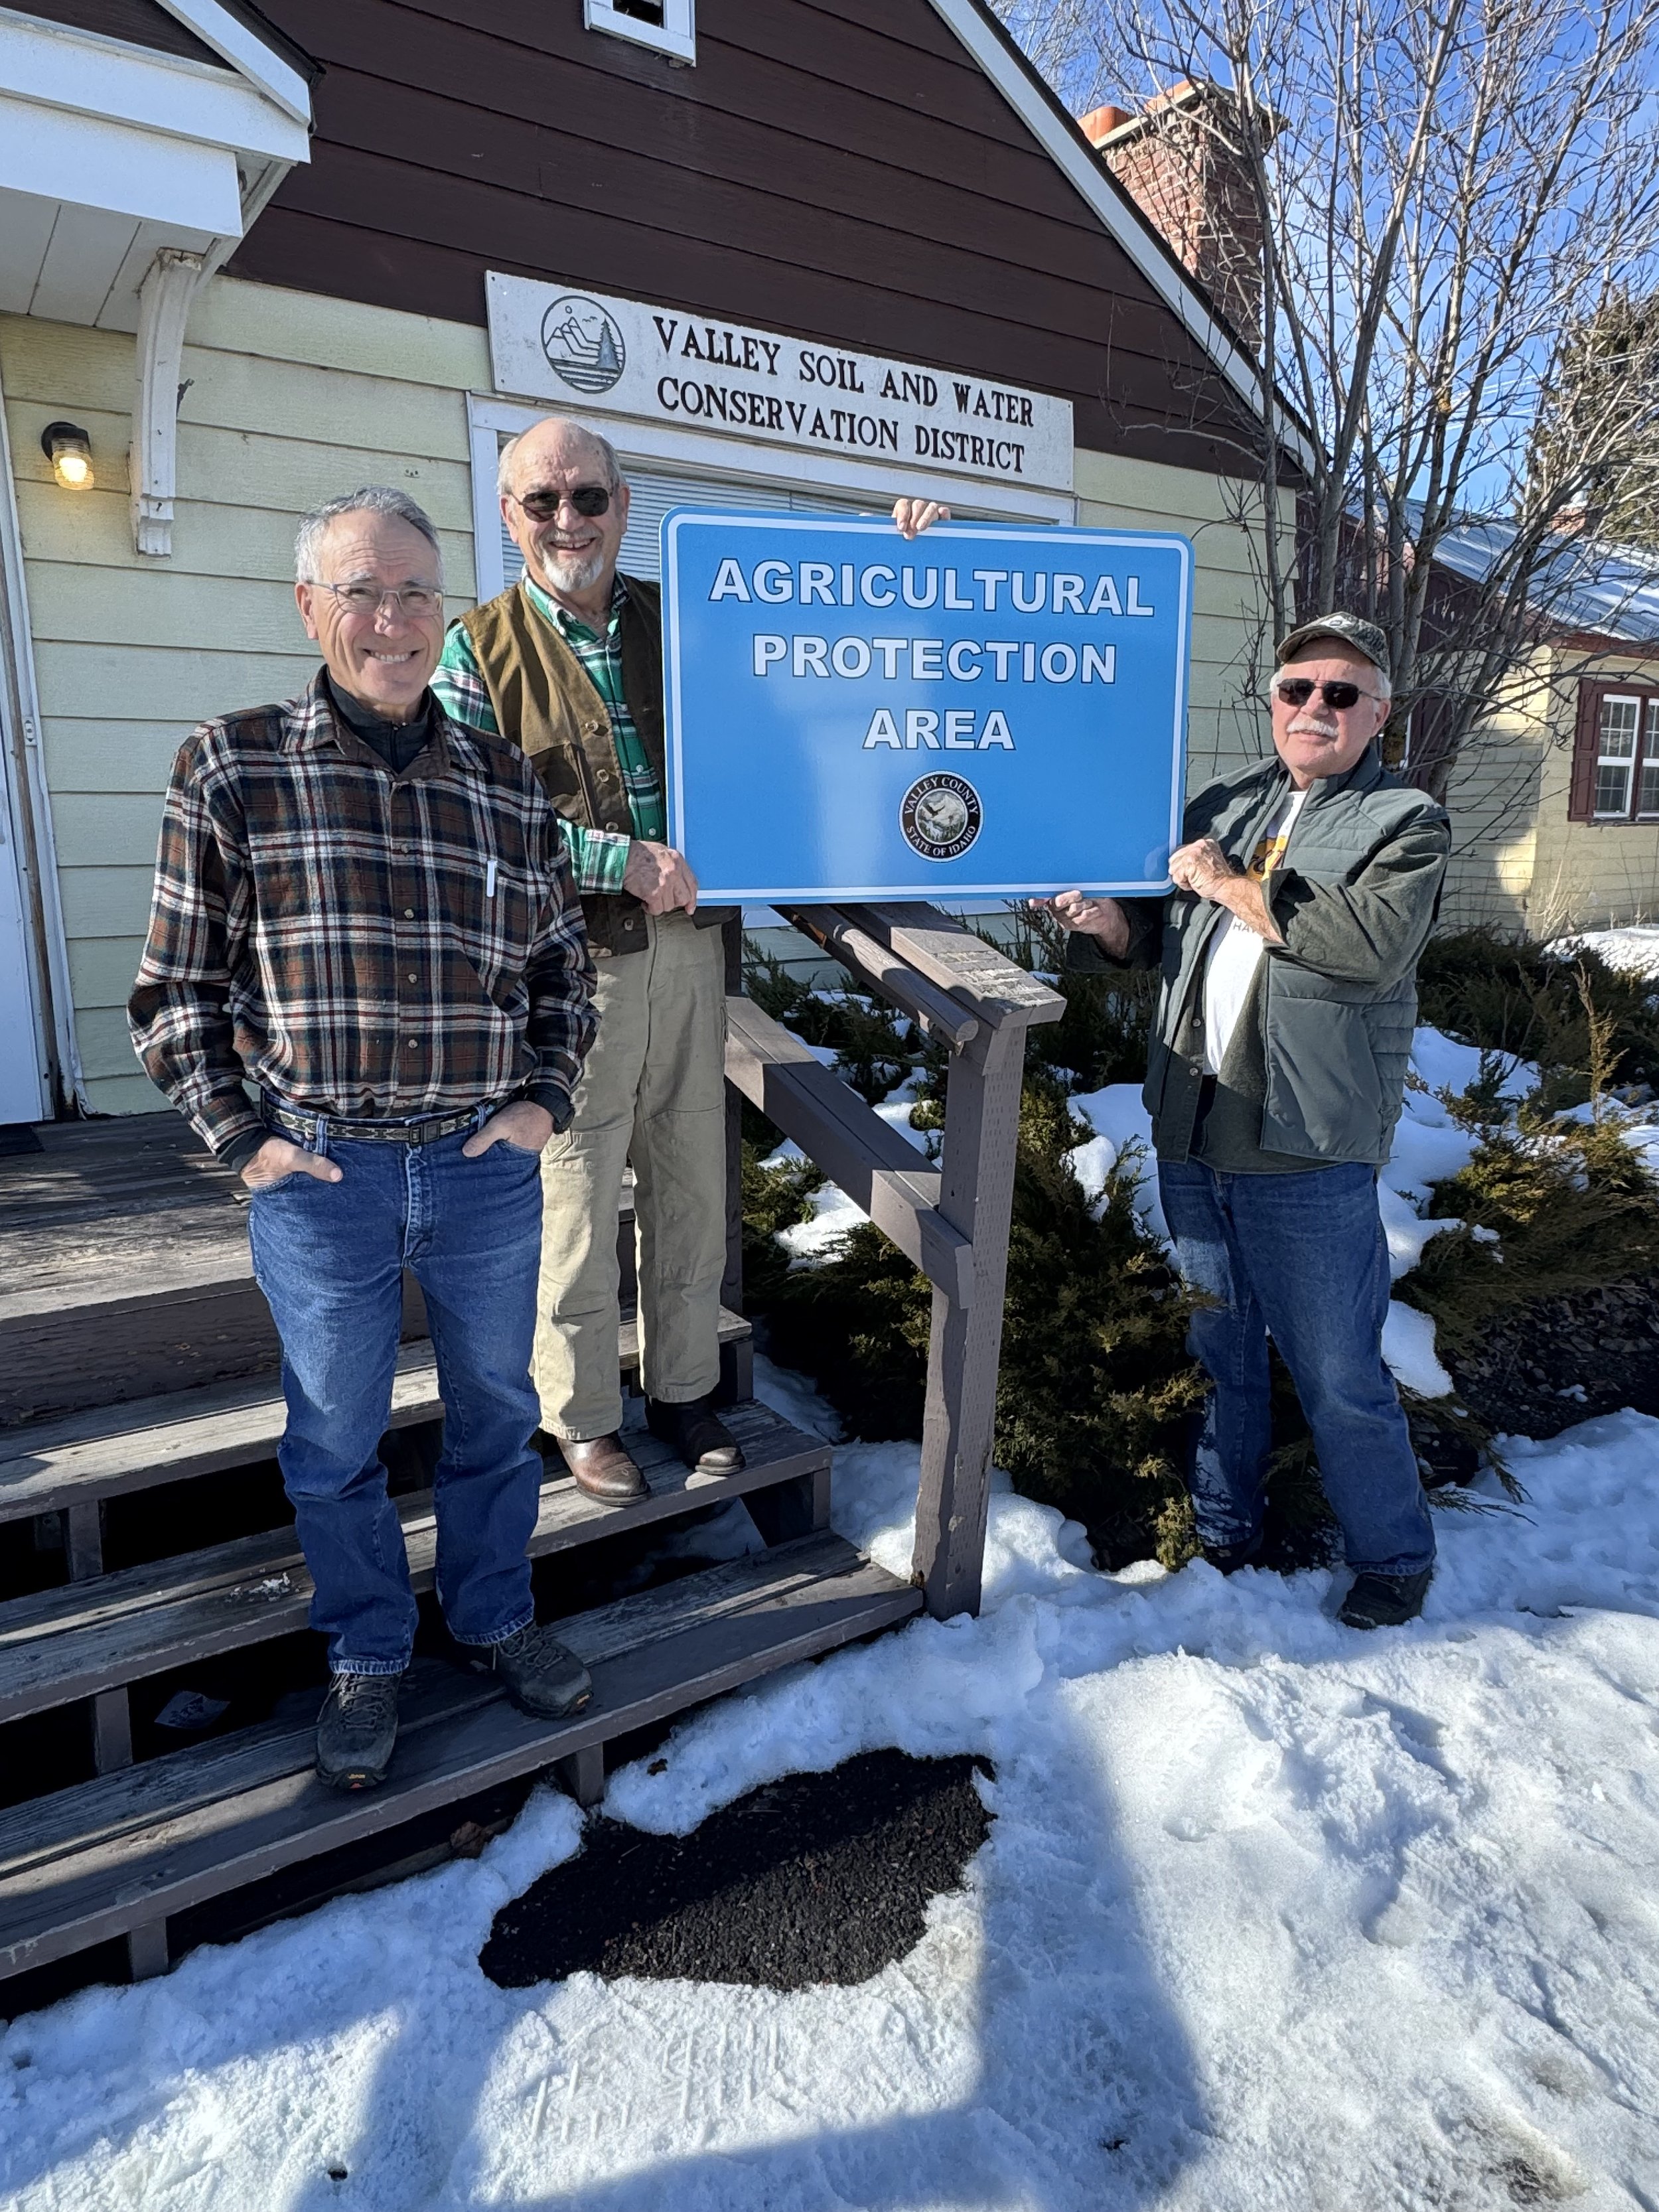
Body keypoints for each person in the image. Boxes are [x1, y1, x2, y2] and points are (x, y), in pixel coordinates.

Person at [129, 486, 599, 1791]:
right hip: (318, 1172)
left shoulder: (506, 782)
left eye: (412, 594)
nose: (389, 620)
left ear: (440, 609)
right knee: (335, 1433)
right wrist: (243, 1138)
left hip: (480, 1168)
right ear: (308, 606)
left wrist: (541, 1103)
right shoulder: (233, 765)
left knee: (499, 1410)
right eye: (360, 592)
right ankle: (368, 1649)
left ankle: (495, 1614)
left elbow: (563, 969)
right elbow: (175, 992)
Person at [433, 417, 950, 1503]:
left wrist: (904, 565)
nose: (568, 518)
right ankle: (581, 1418)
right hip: (573, 971)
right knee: (575, 1200)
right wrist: (609, 859)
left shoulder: (691, 625)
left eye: (589, 497)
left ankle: (682, 1388)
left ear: (625, 506)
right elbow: (466, 822)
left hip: (698, 955)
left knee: (689, 1182)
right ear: (508, 514)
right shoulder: (475, 650)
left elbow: (815, 676)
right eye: (544, 500)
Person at [1046, 614, 1450, 1629]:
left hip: (1303, 1142)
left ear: (1378, 713)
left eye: (1340, 693)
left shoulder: (1405, 820)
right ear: (1272, 702)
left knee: (1339, 1369)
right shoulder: (1225, 802)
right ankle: (1228, 1530)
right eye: (1296, 689)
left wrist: (1227, 881)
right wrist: (1111, 925)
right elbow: (1156, 932)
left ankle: (1394, 1555)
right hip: (1195, 1125)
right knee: (1220, 1350)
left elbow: (1364, 945)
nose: (1314, 707)